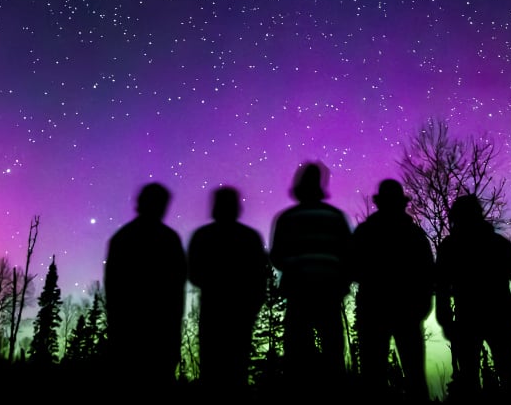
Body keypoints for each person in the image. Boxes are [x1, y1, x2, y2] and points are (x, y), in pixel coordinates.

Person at [435, 194, 511, 398]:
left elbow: (441, 287)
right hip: (484, 320)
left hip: (482, 320)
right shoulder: (495, 243)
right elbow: (441, 287)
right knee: (499, 377)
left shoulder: (451, 247)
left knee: (497, 378)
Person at [270, 161, 353, 388]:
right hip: (329, 291)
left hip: (299, 292)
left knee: (297, 351)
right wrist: (341, 283)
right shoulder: (335, 217)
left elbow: (276, 257)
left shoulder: (286, 218)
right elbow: (349, 255)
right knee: (333, 350)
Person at [351, 179, 436, 400]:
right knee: (410, 373)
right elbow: (428, 273)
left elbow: (351, 267)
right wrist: (423, 304)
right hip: (397, 310)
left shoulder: (365, 231)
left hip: (379, 309)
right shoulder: (413, 234)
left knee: (375, 374)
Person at [104, 182, 188, 392]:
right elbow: (177, 292)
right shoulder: (169, 239)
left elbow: (112, 292)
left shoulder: (122, 238)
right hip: (157, 336)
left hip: (130, 335)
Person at [188, 186, 269, 393]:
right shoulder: (250, 237)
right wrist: (252, 306)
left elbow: (194, 274)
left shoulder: (203, 236)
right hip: (239, 313)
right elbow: (260, 277)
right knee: (237, 368)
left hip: (214, 311)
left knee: (213, 368)